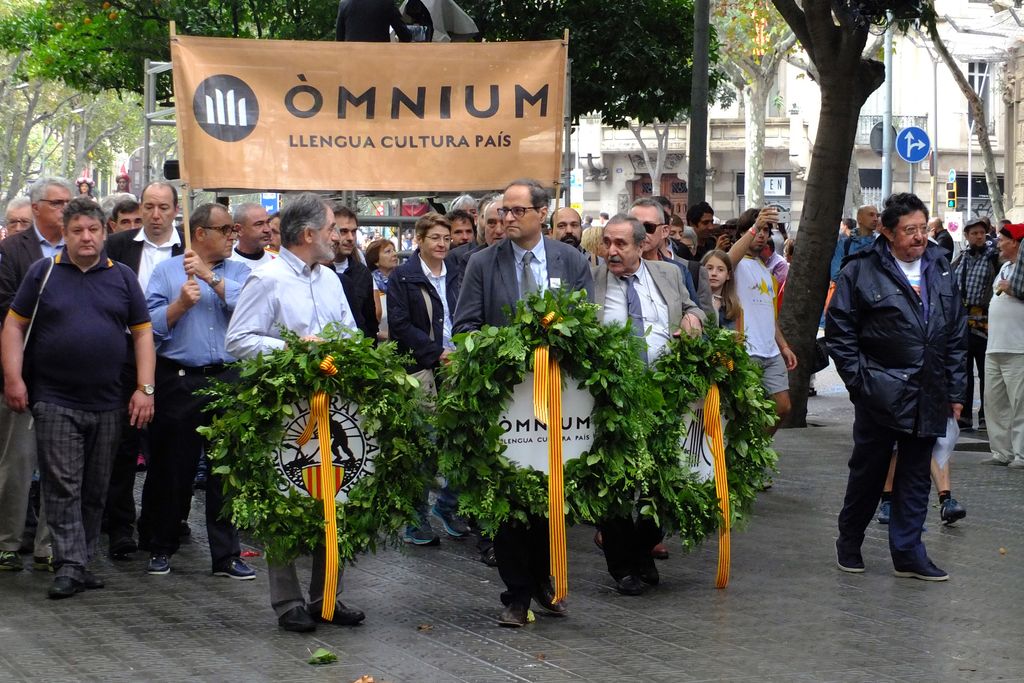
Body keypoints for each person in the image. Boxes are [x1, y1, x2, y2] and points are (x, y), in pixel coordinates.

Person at [453, 178, 593, 627]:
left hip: (559, 396)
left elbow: (586, 325)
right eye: (501, 214)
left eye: (516, 212)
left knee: (552, 490)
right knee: (512, 495)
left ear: (541, 213)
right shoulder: (482, 263)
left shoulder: (570, 260)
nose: (506, 220)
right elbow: (465, 327)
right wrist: (503, 352)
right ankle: (516, 594)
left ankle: (546, 582)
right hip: (507, 399)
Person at [1, 197, 155, 598]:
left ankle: (81, 559)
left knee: (95, 487)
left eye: (93, 230)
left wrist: (145, 388)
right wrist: (14, 378)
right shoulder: (44, 273)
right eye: (77, 231)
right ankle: (68, 564)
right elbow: (14, 327)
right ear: (64, 235)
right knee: (62, 485)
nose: (86, 238)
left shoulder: (122, 277)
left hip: (108, 402)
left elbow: (142, 334)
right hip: (53, 399)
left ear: (104, 232)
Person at [226, 192, 365, 633]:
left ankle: (328, 597)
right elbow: (239, 340)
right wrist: (293, 349)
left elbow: (351, 335)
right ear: (307, 235)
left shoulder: (328, 278)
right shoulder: (266, 278)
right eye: (331, 231)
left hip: (335, 404)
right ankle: (288, 602)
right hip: (286, 407)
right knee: (286, 501)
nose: (338, 238)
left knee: (337, 496)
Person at [826, 192, 966, 582]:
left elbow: (955, 332)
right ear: (887, 232)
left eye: (923, 228)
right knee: (869, 471)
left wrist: (955, 391)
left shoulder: (940, 264)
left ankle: (908, 553)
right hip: (880, 390)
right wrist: (862, 382)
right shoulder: (861, 269)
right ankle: (849, 540)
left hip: (930, 389)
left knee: (917, 474)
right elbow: (840, 334)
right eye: (909, 230)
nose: (919, 237)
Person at [139, 202, 255, 580]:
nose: (231, 237)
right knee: (173, 467)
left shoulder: (241, 271)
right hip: (180, 379)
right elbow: (149, 328)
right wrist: (179, 306)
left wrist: (210, 279)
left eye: (234, 230)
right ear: (200, 233)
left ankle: (225, 555)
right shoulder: (167, 272)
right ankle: (161, 544)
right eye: (225, 230)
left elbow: (250, 309)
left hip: (228, 377)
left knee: (226, 471)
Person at [592, 214, 703, 595]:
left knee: (663, 480)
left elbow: (697, 308)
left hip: (664, 393)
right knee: (618, 485)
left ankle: (641, 551)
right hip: (611, 397)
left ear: (642, 246)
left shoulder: (668, 275)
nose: (611, 251)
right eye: (607, 242)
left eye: (621, 244)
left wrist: (693, 318)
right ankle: (623, 567)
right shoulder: (592, 282)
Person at [105, 182, 185, 557]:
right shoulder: (120, 248)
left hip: (172, 360)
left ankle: (162, 523)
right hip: (124, 358)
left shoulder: (188, 251)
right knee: (123, 444)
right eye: (149, 207)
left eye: (163, 208)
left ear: (175, 209)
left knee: (169, 449)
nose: (156, 215)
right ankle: (120, 528)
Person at [0, 178, 73, 573]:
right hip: (23, 372)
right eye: (57, 203)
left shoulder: (80, 249)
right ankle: (8, 542)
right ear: (37, 208)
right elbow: (5, 307)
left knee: (60, 465)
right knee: (16, 462)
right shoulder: (13, 249)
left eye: (69, 202)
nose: (65, 209)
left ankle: (50, 546)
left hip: (66, 378)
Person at [387, 213, 468, 545]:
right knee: (426, 446)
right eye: (435, 237)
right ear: (418, 240)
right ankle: (415, 518)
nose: (442, 244)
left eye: (446, 238)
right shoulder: (404, 277)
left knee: (463, 442)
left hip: (459, 364)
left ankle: (447, 506)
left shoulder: (458, 273)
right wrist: (436, 352)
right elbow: (400, 324)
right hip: (422, 368)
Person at [728, 207, 798, 431]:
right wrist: (755, 225)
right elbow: (727, 260)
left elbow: (770, 315)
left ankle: (754, 450)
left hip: (771, 351)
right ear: (744, 232)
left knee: (783, 407)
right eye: (758, 229)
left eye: (766, 230)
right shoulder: (734, 265)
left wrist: (784, 346)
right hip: (745, 350)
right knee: (744, 411)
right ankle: (741, 459)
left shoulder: (766, 270)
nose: (762, 235)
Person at [952, 217, 1000, 431]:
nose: (979, 237)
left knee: (985, 371)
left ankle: (984, 415)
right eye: (974, 233)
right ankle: (964, 415)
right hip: (963, 322)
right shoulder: (962, 258)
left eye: (982, 233)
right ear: (967, 236)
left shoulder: (994, 258)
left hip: (986, 323)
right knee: (964, 371)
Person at [985, 222, 1024, 468]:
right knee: (994, 402)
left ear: (1016, 243)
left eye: (1003, 240)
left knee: (1020, 404)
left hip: (1018, 347)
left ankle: (1021, 454)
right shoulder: (1005, 268)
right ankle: (1002, 452)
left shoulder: (1021, 273)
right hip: (995, 346)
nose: (998, 244)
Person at [332, 205, 378, 341]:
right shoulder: (317, 271)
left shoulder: (362, 273)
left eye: (354, 231)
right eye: (344, 231)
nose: (350, 238)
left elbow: (370, 322)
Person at [829, 205, 879, 281]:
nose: (876, 219)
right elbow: (835, 275)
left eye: (877, 215)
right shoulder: (845, 244)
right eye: (871, 215)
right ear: (859, 218)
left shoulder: (881, 243)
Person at [365, 237, 398, 340]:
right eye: (388, 251)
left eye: (394, 250)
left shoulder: (402, 281)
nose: (394, 254)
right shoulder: (369, 284)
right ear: (376, 261)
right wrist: (379, 334)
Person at [702, 250, 742, 331]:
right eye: (709, 268)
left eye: (720, 270)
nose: (714, 273)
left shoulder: (733, 307)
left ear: (728, 275)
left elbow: (737, 339)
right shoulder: (694, 302)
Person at [335, 0, 412, 41]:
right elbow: (405, 36)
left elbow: (339, 38)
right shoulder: (387, 3)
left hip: (351, 60)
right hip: (379, 60)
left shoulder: (344, 3)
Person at [229, 202, 275, 270]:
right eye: (259, 224)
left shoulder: (278, 261)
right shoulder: (225, 265)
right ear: (239, 230)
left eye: (268, 222)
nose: (267, 229)